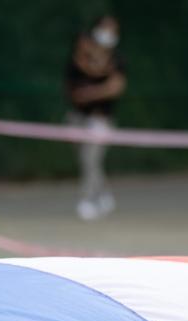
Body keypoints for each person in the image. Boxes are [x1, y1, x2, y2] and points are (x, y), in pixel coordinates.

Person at [64, 14, 126, 221]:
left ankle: (86, 200)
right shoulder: (76, 62)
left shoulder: (117, 60)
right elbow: (73, 93)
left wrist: (90, 93)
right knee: (88, 162)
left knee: (90, 159)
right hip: (77, 118)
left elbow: (115, 88)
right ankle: (104, 194)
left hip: (102, 119)